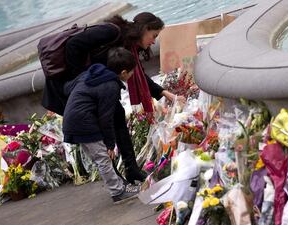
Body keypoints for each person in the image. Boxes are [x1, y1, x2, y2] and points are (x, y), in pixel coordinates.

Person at [42, 12, 185, 185]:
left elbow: (136, 73)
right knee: (100, 128)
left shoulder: (128, 46)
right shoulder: (112, 32)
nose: (153, 41)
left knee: (117, 115)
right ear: (145, 29)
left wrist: (164, 93)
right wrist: (82, 80)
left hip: (91, 87)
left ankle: (131, 170)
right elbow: (73, 45)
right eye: (153, 36)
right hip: (71, 86)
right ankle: (116, 180)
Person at [62, 47, 139, 203]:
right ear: (124, 72)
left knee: (100, 158)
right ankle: (117, 192)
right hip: (84, 123)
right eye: (132, 72)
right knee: (103, 158)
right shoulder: (110, 85)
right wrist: (110, 144)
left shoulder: (96, 74)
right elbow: (106, 117)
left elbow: (68, 88)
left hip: (74, 120)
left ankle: (119, 186)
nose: (132, 75)